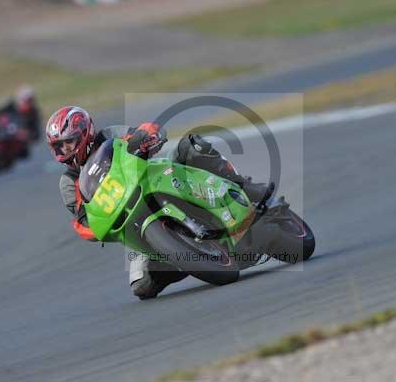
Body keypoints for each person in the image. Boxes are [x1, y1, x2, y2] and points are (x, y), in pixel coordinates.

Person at [46, 106, 272, 299]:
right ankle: (182, 256)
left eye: (69, 142)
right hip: (132, 220)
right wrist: (90, 228)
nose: (65, 150)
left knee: (191, 146)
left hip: (153, 180)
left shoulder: (108, 135)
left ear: (85, 132)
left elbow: (142, 133)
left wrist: (147, 137)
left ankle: (244, 187)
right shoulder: (68, 182)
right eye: (59, 147)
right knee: (141, 286)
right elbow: (83, 219)